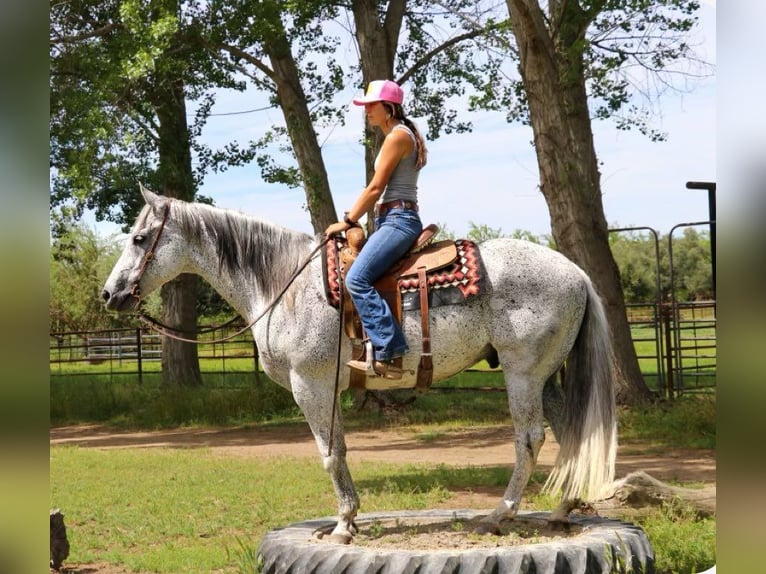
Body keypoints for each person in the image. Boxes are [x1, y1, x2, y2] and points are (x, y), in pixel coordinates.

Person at [324, 80, 428, 380]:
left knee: (356, 278)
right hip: (393, 218)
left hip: (398, 220)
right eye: (365, 106)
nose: (366, 111)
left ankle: (390, 350)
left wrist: (348, 219)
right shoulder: (403, 134)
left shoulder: (397, 137)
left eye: (371, 105)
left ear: (389, 107)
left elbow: (375, 188)